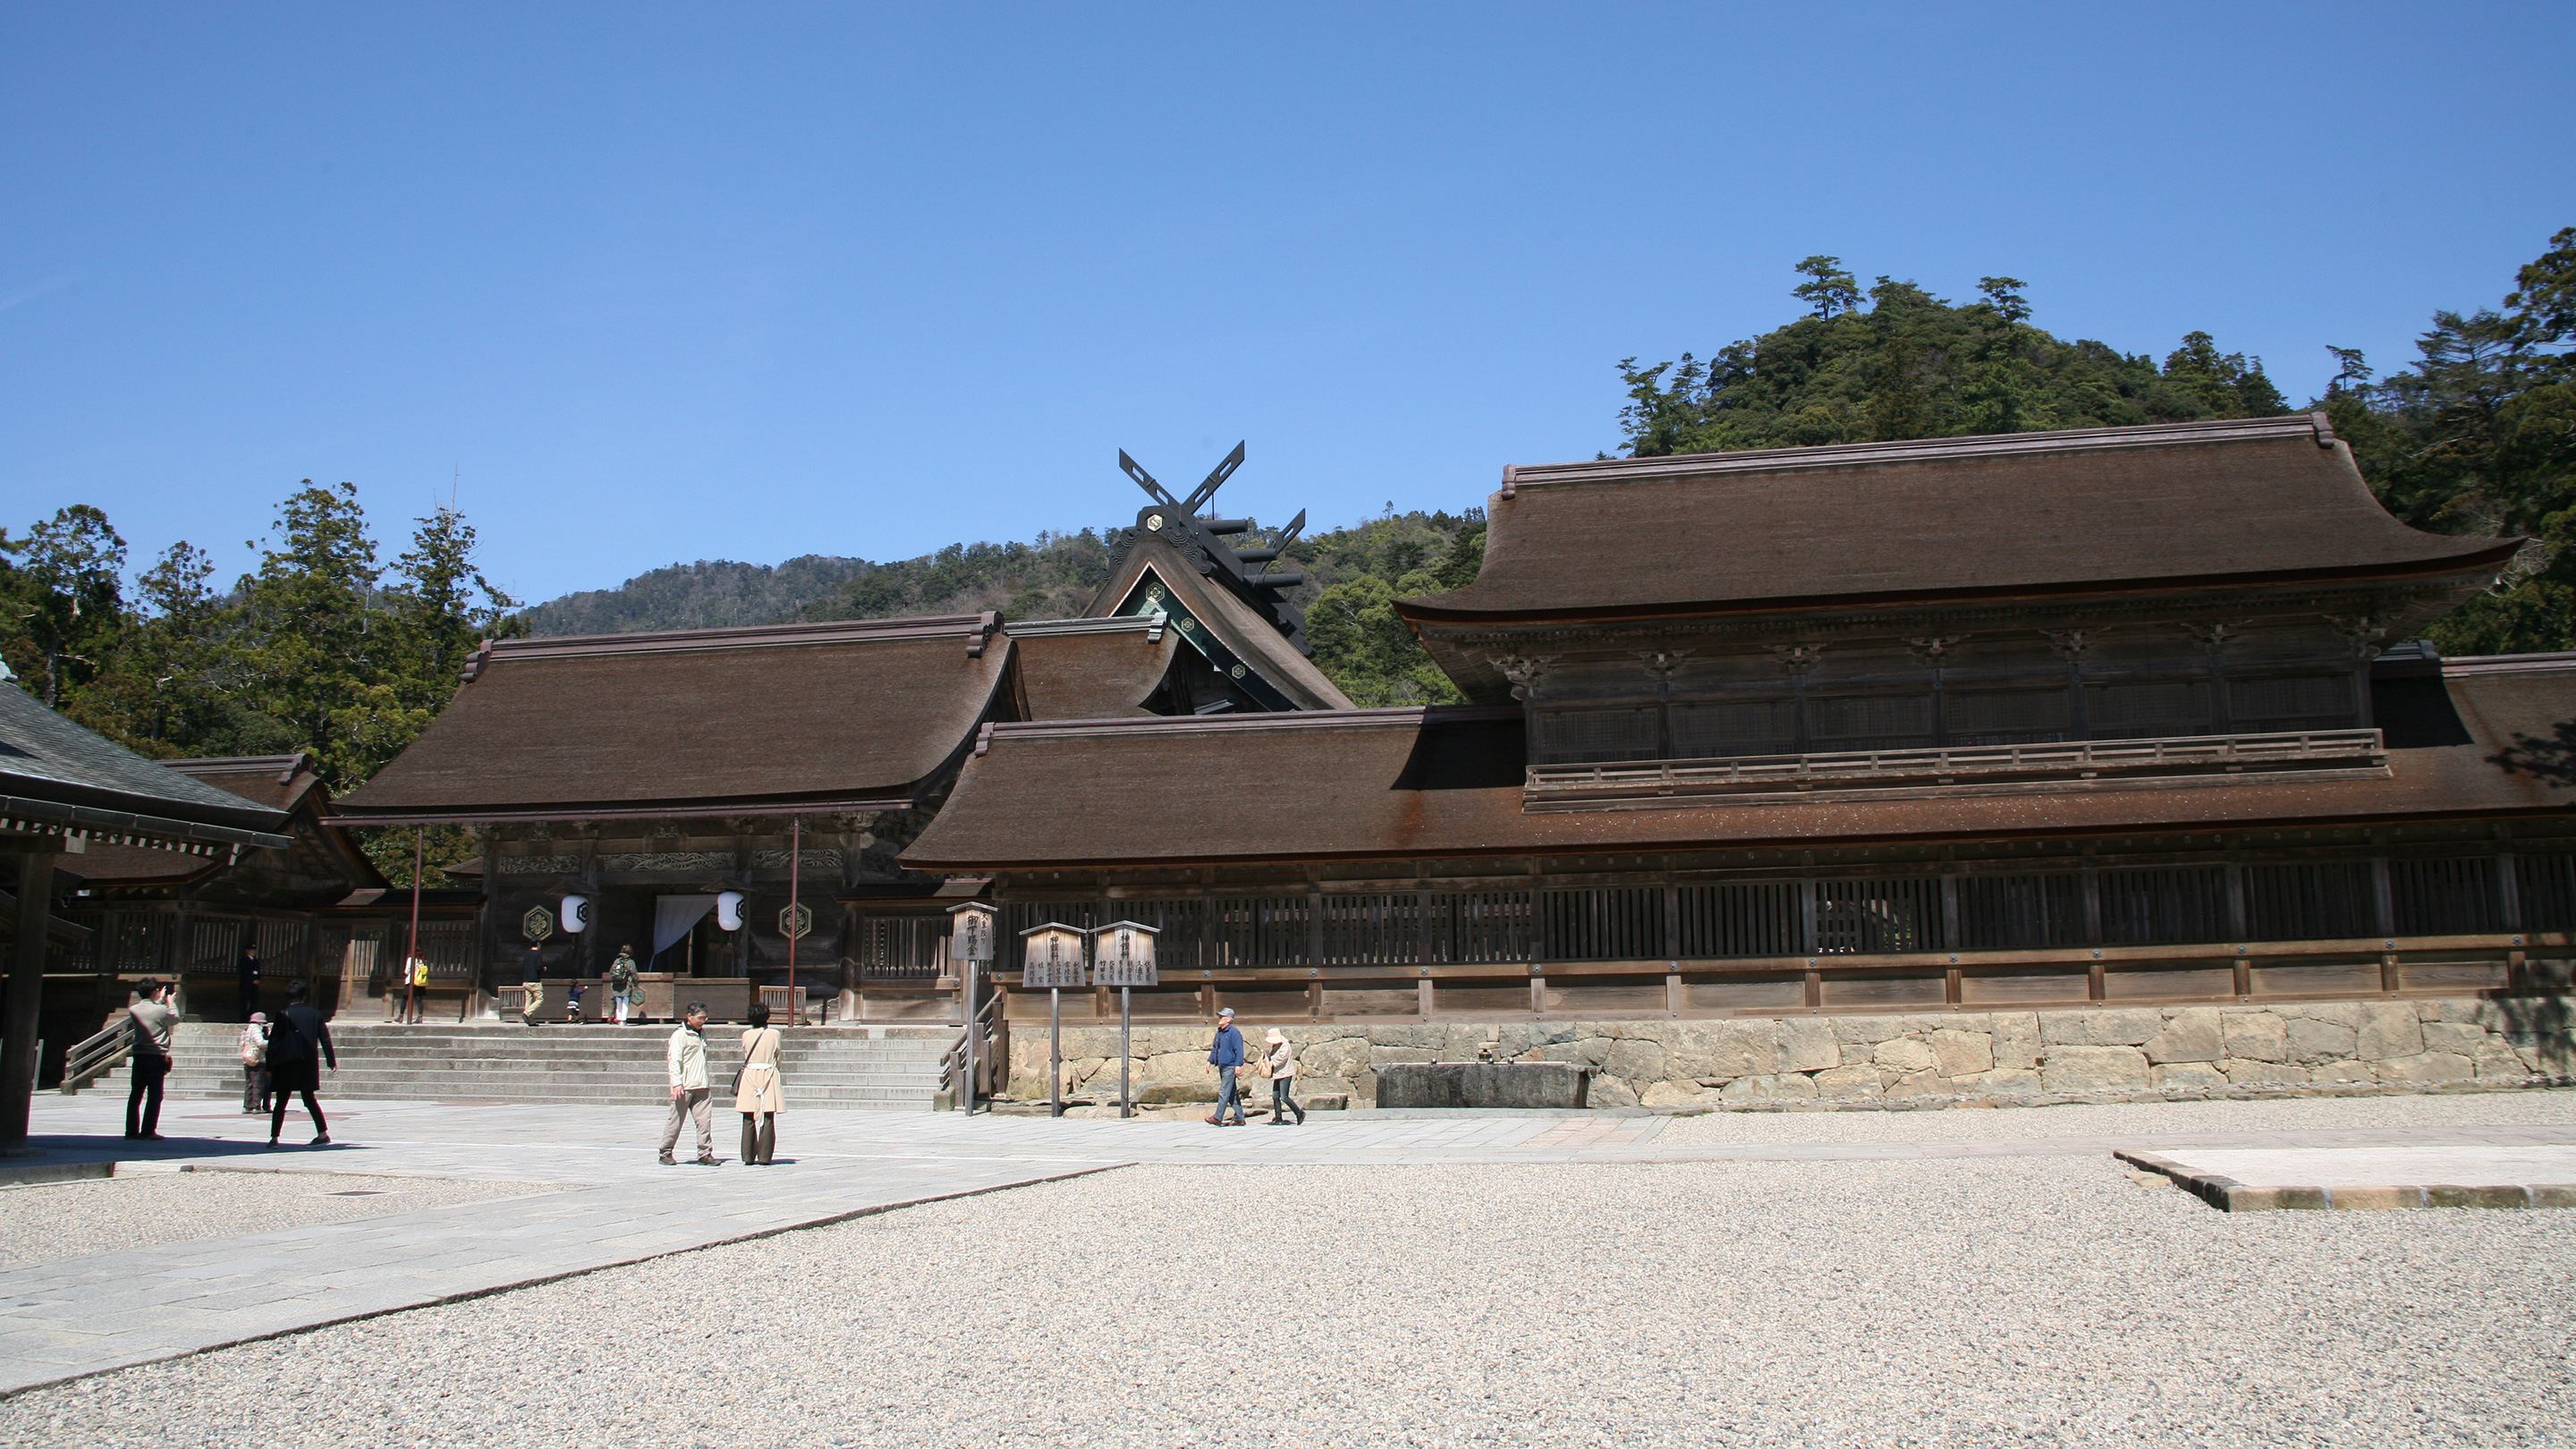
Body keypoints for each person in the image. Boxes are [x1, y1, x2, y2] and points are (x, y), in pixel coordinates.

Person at [265, 979, 335, 1148]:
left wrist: (269, 1066)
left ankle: (274, 1137)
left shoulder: (283, 1015)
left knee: (281, 1101)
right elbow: (325, 1039)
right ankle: (322, 1133)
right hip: (307, 1062)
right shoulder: (315, 1014)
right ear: (304, 996)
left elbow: (273, 1042)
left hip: (286, 1062)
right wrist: (331, 1061)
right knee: (309, 1099)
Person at [660, 1002, 716, 1165]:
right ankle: (665, 1151)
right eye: (700, 1018)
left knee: (704, 1122)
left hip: (702, 1084)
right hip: (685, 1086)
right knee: (675, 1121)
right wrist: (676, 1083)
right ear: (689, 1017)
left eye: (705, 1018)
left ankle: (705, 1153)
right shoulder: (680, 1035)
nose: (702, 1021)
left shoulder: (701, 1033)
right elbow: (674, 1060)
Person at [125, 979, 179, 1140]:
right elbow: (174, 1019)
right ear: (154, 991)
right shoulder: (162, 1009)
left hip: (139, 1054)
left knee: (136, 1094)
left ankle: (131, 1130)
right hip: (156, 1055)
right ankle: (148, 1130)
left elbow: (153, 1013)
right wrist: (171, 1002)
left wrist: (160, 1001)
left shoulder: (134, 1009)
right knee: (154, 1094)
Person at [735, 1001, 783, 1166]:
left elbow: (745, 1052)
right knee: (768, 1116)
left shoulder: (746, 1035)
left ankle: (748, 1156)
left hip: (750, 1074)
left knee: (748, 1117)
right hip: (768, 1073)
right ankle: (764, 1156)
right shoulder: (774, 1034)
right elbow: (777, 1055)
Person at [1204, 1005, 1246, 1127]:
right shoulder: (1220, 1033)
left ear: (1229, 1019)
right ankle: (1239, 1117)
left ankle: (1218, 1117)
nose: (1220, 1018)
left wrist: (1238, 1065)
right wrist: (1209, 1061)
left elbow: (1239, 1050)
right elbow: (1215, 1049)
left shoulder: (1234, 1033)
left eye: (1222, 1016)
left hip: (1230, 1066)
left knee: (1224, 1091)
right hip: (1222, 1065)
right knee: (1231, 1092)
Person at [1263, 1028, 1306, 1126]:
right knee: (1275, 1096)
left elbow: (1281, 1059)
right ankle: (1278, 1117)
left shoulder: (1285, 1046)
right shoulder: (1276, 1045)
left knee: (1284, 1097)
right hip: (1278, 1073)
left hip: (1285, 1073)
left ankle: (1299, 1113)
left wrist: (1269, 1059)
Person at [237, 1013, 270, 1115]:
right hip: (257, 1059)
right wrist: (271, 1042)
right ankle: (256, 1106)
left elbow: (242, 1044)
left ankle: (247, 1105)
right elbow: (260, 1043)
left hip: (247, 1059)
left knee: (249, 1083)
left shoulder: (246, 1030)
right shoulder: (256, 1029)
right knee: (258, 1083)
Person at [607, 946, 639, 1026]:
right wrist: (636, 983)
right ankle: (623, 1020)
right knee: (625, 1002)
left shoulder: (617, 961)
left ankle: (618, 1018)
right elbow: (633, 973)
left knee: (618, 1002)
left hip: (616, 985)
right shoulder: (630, 962)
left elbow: (611, 972)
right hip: (626, 984)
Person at [521, 945, 546, 1026]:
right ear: (538, 944)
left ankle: (531, 1021)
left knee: (528, 1000)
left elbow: (523, 966)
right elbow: (539, 966)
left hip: (526, 981)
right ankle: (527, 1013)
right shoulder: (538, 954)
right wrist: (543, 969)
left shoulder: (526, 954)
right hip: (535, 981)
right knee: (540, 999)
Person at [235, 945, 260, 1022]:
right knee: (244, 1002)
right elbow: (244, 973)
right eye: (251, 950)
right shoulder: (244, 960)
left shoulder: (256, 961)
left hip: (254, 985)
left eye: (254, 950)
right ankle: (243, 1018)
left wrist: (258, 979)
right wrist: (252, 980)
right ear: (247, 951)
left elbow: (258, 972)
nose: (253, 952)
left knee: (254, 1002)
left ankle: (251, 1016)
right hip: (246, 984)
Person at [403, 953, 430, 1023]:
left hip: (411, 981)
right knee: (419, 999)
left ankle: (401, 1016)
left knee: (405, 998)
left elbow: (406, 971)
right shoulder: (423, 961)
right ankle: (420, 1016)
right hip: (420, 982)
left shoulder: (411, 959)